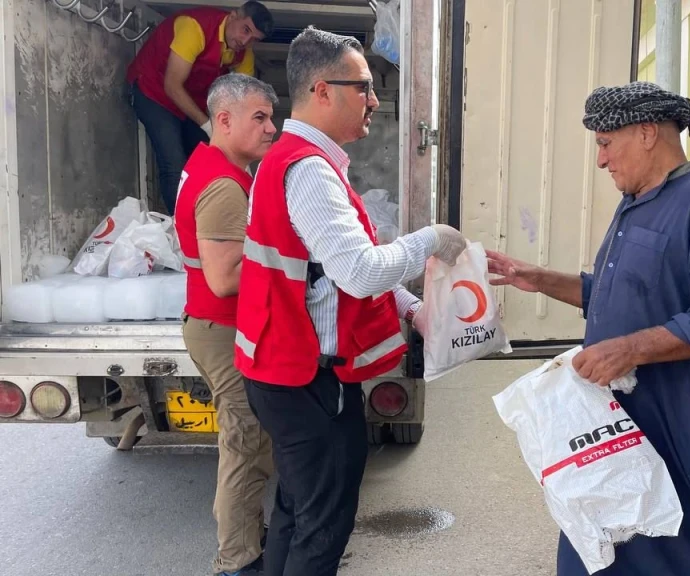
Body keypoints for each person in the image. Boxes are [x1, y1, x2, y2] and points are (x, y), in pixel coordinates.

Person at [487, 81, 690, 575]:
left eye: (604, 143)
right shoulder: (635, 201)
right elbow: (625, 296)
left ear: (645, 133)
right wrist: (539, 279)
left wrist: (630, 349)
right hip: (631, 422)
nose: (601, 160)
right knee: (614, 541)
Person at [233, 27, 468, 576]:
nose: (374, 100)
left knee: (296, 508)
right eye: (362, 87)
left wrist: (410, 305)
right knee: (322, 523)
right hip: (306, 381)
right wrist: (429, 240)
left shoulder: (295, 160)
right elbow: (359, 273)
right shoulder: (309, 171)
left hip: (283, 371)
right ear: (321, 90)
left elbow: (333, 268)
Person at [174, 73, 277, 576]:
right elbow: (224, 278)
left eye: (271, 117)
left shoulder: (215, 168)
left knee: (250, 440)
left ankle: (248, 540)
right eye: (259, 117)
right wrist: (295, 264)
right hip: (223, 327)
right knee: (245, 444)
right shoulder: (222, 185)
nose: (270, 128)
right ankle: (238, 561)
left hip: (216, 326)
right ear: (224, 119)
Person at [126, 1, 274, 215]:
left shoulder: (244, 55)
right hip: (154, 91)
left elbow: (245, 104)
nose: (245, 40)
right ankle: (180, 233)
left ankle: (210, 223)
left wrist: (241, 144)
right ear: (233, 16)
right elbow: (172, 85)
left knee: (209, 157)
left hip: (190, 102)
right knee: (174, 163)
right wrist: (208, 126)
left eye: (254, 39)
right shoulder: (195, 28)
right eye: (245, 30)